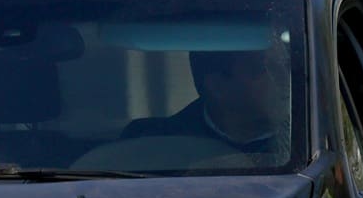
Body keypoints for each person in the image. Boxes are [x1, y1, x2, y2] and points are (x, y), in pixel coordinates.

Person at [122, 48, 286, 152]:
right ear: (217, 87)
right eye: (262, 70)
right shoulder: (150, 144)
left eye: (284, 66)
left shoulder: (309, 142)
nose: (285, 77)